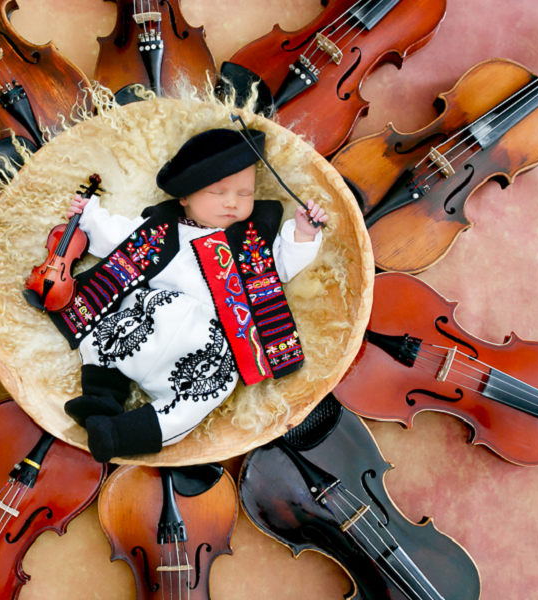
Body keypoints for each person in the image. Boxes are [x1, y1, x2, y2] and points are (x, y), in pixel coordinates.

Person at [48, 128, 328, 462]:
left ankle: (124, 434)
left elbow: (281, 266)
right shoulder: (163, 226)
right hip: (146, 320)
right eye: (218, 191)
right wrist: (90, 216)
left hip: (205, 347)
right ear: (184, 197)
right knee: (104, 336)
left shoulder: (252, 237)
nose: (232, 202)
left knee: (211, 391)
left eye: (244, 193)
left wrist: (303, 233)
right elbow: (119, 239)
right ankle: (99, 397)